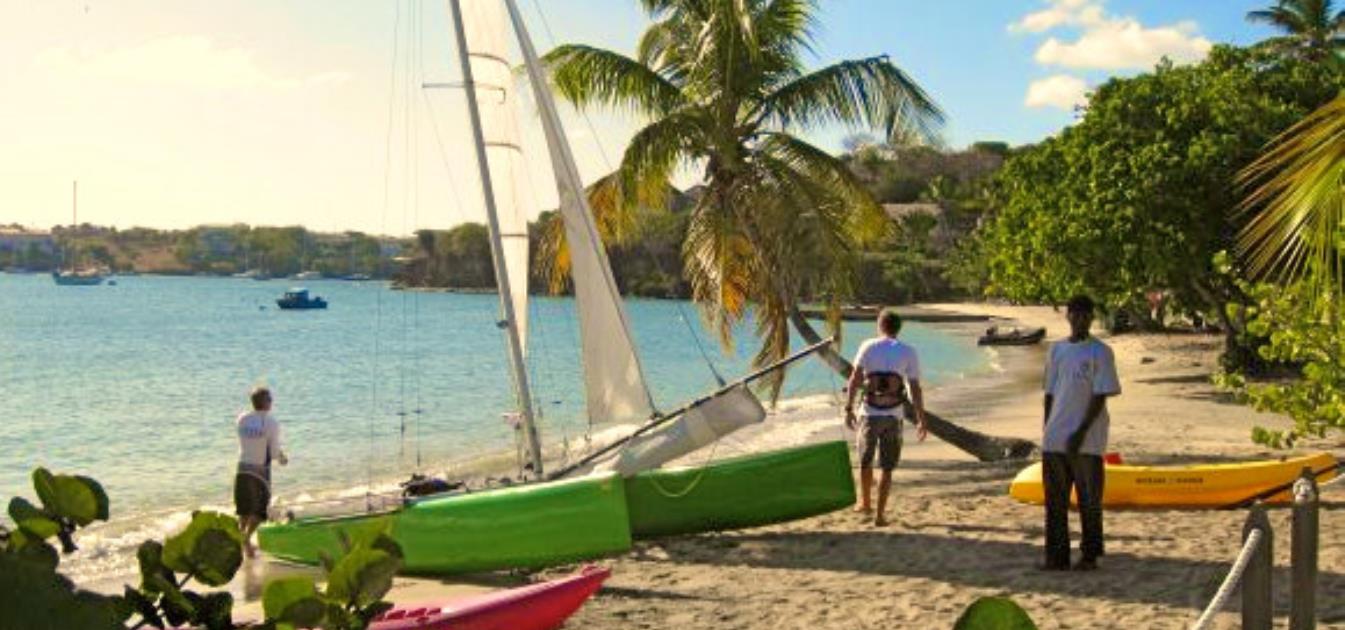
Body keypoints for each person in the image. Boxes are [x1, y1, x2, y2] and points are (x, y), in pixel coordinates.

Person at [1040, 295, 1121, 571]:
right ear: (1068, 316)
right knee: (1055, 502)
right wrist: (1047, 429)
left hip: (1087, 440)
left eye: (1085, 315)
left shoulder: (1100, 352)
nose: (1079, 320)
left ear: (1091, 318)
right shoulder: (1057, 350)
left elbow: (1100, 396)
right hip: (1055, 437)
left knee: (1089, 500)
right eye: (1075, 314)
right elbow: (1050, 392)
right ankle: (1056, 557)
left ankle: (1089, 555)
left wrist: (1080, 432)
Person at [844, 308, 928, 527]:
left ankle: (865, 504)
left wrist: (848, 408)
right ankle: (880, 515)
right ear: (898, 328)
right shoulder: (908, 351)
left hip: (869, 414)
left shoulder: (868, 346)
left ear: (879, 326)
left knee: (865, 461)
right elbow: (915, 388)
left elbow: (854, 379)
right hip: (893, 415)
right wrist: (921, 419)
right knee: (887, 467)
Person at [234, 386, 287, 558]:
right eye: (270, 399)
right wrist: (282, 458)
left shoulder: (242, 419)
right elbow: (274, 452)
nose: (272, 401)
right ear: (265, 402)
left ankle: (243, 545)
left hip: (242, 467)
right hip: (260, 472)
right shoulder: (271, 422)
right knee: (259, 512)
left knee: (244, 510)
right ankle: (246, 539)